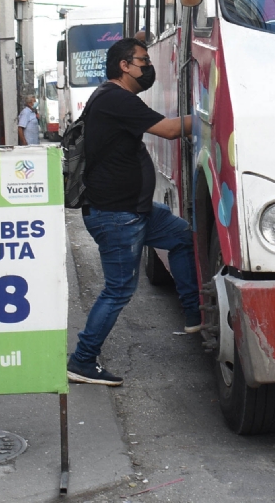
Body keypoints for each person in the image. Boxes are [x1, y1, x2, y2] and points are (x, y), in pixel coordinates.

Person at [68, 37, 199, 387]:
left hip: (135, 211)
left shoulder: (112, 98)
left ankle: (195, 313)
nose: (148, 67)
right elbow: (170, 130)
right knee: (118, 290)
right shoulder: (115, 99)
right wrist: (210, 114)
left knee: (183, 239)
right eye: (143, 61)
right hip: (116, 215)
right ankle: (82, 360)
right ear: (124, 65)